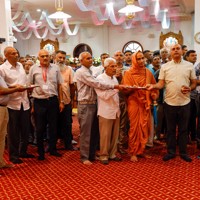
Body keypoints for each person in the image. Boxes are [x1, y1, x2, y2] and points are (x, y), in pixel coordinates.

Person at [146, 44, 197, 162]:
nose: (176, 51)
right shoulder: (165, 67)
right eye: (173, 49)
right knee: (170, 129)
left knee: (184, 129)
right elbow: (161, 84)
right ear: (170, 52)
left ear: (182, 51)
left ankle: (183, 152)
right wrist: (152, 86)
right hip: (169, 103)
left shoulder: (189, 66)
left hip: (185, 102)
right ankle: (171, 152)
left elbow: (194, 82)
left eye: (178, 49)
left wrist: (190, 88)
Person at [75, 51, 125, 165]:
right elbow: (96, 84)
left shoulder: (91, 71)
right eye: (87, 58)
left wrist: (115, 86)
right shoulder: (81, 72)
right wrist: (115, 87)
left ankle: (92, 155)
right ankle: (84, 157)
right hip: (85, 104)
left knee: (94, 132)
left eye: (91, 58)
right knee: (86, 132)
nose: (90, 60)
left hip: (93, 104)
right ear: (81, 61)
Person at [122, 51, 159, 162]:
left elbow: (154, 87)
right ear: (134, 60)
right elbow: (125, 90)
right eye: (138, 59)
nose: (141, 60)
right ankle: (133, 151)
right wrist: (132, 88)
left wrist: (153, 94)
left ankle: (141, 150)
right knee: (134, 127)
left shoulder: (148, 72)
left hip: (145, 103)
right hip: (134, 102)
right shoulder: (128, 73)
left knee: (144, 126)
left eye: (142, 58)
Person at [0, 46, 34, 164]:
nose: (16, 55)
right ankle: (13, 156)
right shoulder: (2, 69)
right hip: (12, 103)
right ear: (6, 56)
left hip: (24, 102)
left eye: (16, 53)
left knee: (25, 130)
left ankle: (23, 151)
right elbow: (2, 88)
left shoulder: (20, 66)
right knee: (13, 132)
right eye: (13, 53)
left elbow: (24, 82)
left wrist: (28, 88)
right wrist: (15, 88)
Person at [28, 49, 64, 160]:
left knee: (53, 127)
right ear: (38, 58)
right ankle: (40, 152)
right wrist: (32, 104)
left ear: (50, 57)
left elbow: (59, 85)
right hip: (39, 101)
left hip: (52, 101)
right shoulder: (33, 68)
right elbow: (29, 85)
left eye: (47, 56)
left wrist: (61, 101)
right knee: (40, 128)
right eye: (42, 56)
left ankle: (53, 149)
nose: (45, 58)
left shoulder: (55, 68)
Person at [95, 58, 121, 165]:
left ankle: (112, 154)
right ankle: (103, 155)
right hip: (105, 111)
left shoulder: (114, 78)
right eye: (112, 66)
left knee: (115, 135)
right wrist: (117, 89)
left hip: (115, 110)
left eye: (115, 66)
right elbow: (104, 96)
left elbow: (115, 94)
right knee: (105, 135)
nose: (115, 68)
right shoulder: (100, 79)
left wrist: (116, 88)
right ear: (105, 67)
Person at [0, 76, 26, 168]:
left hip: (4, 106)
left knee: (2, 137)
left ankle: (0, 162)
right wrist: (16, 89)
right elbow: (1, 91)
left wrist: (13, 87)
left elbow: (4, 88)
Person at [54, 50, 77, 150]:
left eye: (63, 58)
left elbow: (72, 86)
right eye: (59, 57)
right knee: (53, 123)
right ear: (55, 58)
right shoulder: (50, 69)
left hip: (67, 100)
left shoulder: (69, 69)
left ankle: (68, 144)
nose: (62, 60)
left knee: (67, 123)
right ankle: (52, 145)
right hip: (53, 101)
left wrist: (72, 99)